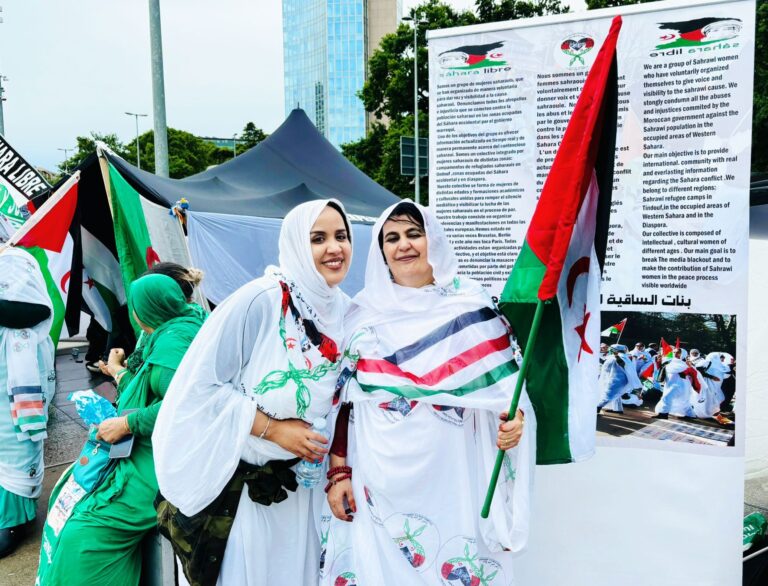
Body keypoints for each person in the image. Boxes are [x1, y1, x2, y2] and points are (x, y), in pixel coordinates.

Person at [321, 202, 534, 585]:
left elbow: (508, 395)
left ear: (432, 239)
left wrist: (514, 424)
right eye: (392, 237)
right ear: (381, 251)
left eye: (413, 234)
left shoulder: (473, 306)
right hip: (376, 480)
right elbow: (343, 405)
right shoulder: (360, 315)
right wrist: (339, 473)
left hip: (453, 481)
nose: (403, 245)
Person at [152, 199, 352, 586]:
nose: (334, 248)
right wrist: (273, 429)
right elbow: (200, 386)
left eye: (341, 236)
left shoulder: (344, 311)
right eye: (318, 238)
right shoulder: (261, 300)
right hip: (244, 498)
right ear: (295, 243)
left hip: (305, 494)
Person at [37, 273, 206, 585]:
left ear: (146, 309)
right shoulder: (169, 332)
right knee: (67, 498)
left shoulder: (172, 343)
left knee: (82, 532)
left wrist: (127, 422)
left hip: (155, 464)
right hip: (144, 451)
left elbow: (186, 404)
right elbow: (150, 389)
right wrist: (118, 372)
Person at [0, 248, 55, 558]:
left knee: (15, 444)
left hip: (15, 370)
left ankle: (12, 521)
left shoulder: (15, 261)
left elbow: (36, 310)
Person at [98, 262, 205, 395]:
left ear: (155, 302)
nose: (134, 312)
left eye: (137, 303)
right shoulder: (191, 321)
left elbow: (173, 399)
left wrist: (117, 370)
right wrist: (124, 366)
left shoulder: (171, 341)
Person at [597, 344, 642, 413]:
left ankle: (597, 407)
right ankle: (618, 409)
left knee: (608, 394)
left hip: (616, 380)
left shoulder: (621, 357)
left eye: (610, 349)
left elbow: (623, 364)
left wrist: (617, 357)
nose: (609, 350)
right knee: (617, 395)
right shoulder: (617, 356)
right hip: (615, 379)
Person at [654, 347, 697, 419]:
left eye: (678, 352)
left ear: (683, 354)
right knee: (683, 401)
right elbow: (661, 369)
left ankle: (663, 414)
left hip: (680, 385)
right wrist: (659, 361)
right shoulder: (669, 361)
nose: (675, 354)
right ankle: (690, 415)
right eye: (674, 352)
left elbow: (694, 373)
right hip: (670, 383)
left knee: (667, 397)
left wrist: (690, 366)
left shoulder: (687, 363)